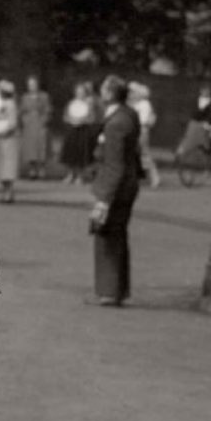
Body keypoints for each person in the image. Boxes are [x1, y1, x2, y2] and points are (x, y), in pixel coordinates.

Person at [88, 76, 141, 306]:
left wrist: (104, 199)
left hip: (116, 187)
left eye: (103, 90)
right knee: (117, 236)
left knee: (107, 236)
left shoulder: (116, 123)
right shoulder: (129, 115)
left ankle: (108, 291)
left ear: (109, 94)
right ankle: (117, 290)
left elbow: (114, 164)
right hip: (127, 184)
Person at [0, 79, 20, 202]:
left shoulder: (10, 104)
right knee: (3, 166)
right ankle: (6, 192)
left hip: (9, 138)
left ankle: (8, 192)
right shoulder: (2, 104)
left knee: (8, 166)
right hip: (2, 138)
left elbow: (13, 123)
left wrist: (3, 130)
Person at [60, 81, 94, 184]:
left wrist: (82, 121)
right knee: (70, 153)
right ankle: (70, 174)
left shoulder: (88, 104)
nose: (79, 94)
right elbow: (65, 116)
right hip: (72, 130)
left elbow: (91, 118)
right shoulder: (71, 103)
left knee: (80, 154)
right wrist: (71, 120)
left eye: (82, 92)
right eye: (78, 92)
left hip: (82, 131)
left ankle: (80, 176)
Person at [19, 73, 51, 179]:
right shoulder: (25, 97)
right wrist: (24, 120)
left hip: (40, 122)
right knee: (30, 147)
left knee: (41, 145)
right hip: (29, 124)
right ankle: (32, 170)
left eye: (33, 84)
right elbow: (22, 111)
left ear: (37, 85)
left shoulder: (44, 96)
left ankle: (41, 169)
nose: (32, 86)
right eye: (30, 84)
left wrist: (44, 120)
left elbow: (48, 110)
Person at [128, 81, 159, 189]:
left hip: (141, 131)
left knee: (144, 154)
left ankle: (154, 177)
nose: (130, 94)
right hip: (133, 130)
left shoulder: (144, 104)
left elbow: (143, 120)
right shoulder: (133, 104)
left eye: (133, 92)